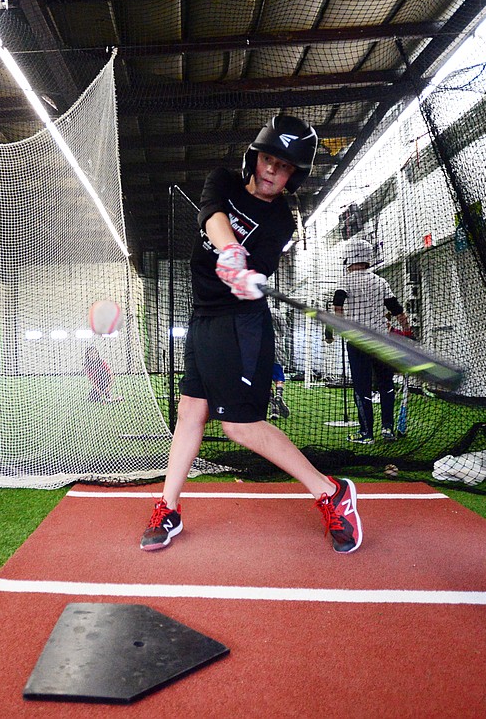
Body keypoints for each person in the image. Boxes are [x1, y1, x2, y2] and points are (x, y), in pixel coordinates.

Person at [140, 115, 363, 555]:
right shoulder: (221, 179)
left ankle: (330, 491)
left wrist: (246, 277)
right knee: (190, 414)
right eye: (267, 160)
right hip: (203, 318)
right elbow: (212, 216)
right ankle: (168, 508)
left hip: (241, 325)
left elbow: (254, 273)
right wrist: (230, 250)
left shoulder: (280, 220)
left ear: (293, 177)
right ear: (254, 157)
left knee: (240, 427)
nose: (271, 172)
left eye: (283, 168)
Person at [331, 239, 412, 443]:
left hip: (358, 342)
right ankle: (387, 429)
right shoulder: (380, 281)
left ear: (349, 258)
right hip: (382, 341)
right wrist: (407, 332)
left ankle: (366, 433)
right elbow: (397, 309)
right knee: (386, 384)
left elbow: (338, 306)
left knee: (362, 387)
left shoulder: (345, 281)